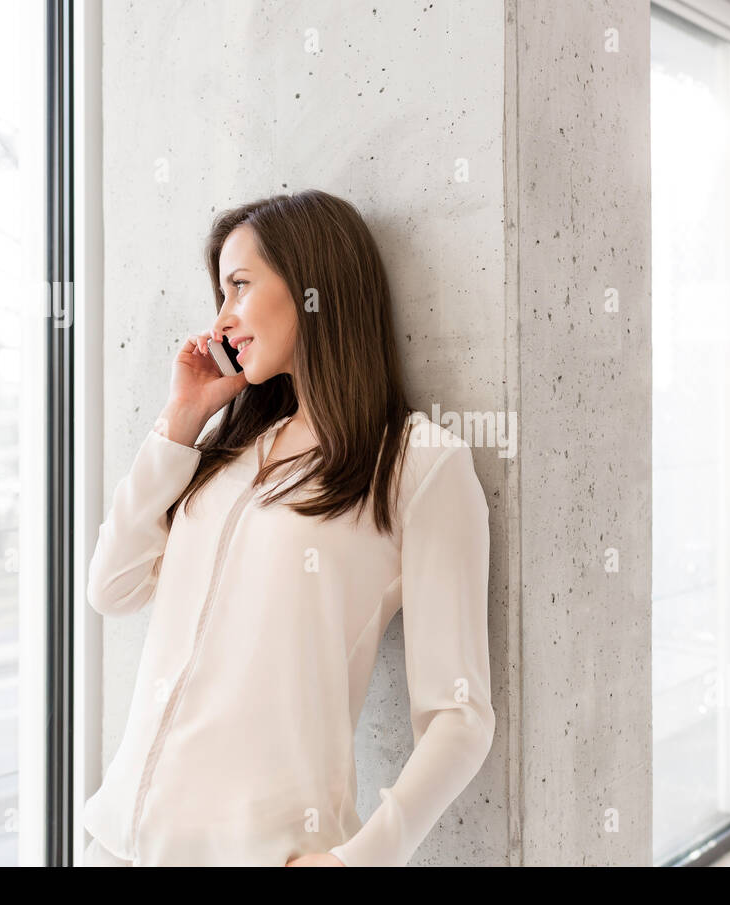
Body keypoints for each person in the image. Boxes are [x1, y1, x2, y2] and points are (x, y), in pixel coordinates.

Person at [80, 190, 495, 866]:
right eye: (220, 295)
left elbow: (460, 714)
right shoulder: (229, 451)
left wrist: (359, 860)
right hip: (114, 843)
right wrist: (181, 420)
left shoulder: (417, 463)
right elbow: (111, 587)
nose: (221, 321)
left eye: (239, 286)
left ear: (312, 287)